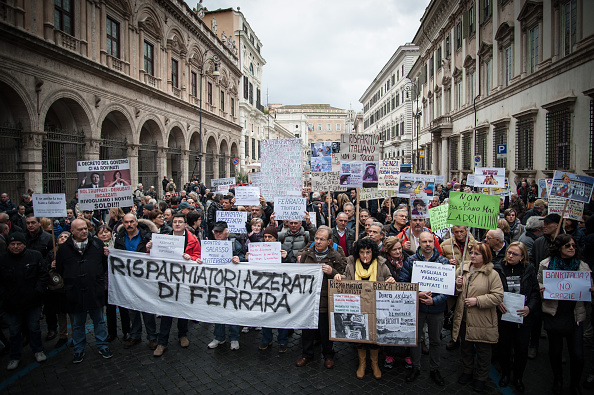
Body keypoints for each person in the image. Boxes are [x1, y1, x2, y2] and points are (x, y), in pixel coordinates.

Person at [538, 234, 593, 395]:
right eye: (567, 245)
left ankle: (575, 384)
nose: (571, 248)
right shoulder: (546, 265)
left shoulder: (582, 266)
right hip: (554, 314)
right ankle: (558, 379)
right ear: (559, 247)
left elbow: (589, 286)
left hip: (574, 315)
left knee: (577, 355)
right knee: (555, 352)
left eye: (574, 246)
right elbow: (539, 282)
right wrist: (542, 289)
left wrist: (590, 290)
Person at [335, 238, 395, 379]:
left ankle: (374, 364)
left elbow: (389, 277)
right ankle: (362, 363)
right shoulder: (351, 264)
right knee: (359, 336)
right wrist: (339, 277)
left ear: (373, 252)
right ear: (358, 253)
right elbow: (347, 279)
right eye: (362, 252)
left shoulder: (381, 264)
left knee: (374, 337)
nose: (365, 255)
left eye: (368, 252)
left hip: (376, 307)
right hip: (357, 307)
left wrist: (391, 280)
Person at [56, 219, 112, 364]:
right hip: (75, 292)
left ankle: (102, 345)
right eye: (80, 229)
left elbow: (103, 266)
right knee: (78, 323)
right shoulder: (63, 249)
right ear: (72, 231)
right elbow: (61, 269)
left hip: (94, 290)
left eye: (85, 228)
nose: (84, 231)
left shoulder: (97, 244)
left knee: (99, 320)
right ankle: (79, 349)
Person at [399, 231, 452, 386]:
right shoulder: (411, 261)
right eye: (424, 242)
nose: (428, 244)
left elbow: (448, 289)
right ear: (419, 243)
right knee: (415, 340)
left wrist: (434, 301)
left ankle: (434, 369)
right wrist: (418, 293)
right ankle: (416, 367)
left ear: (434, 242)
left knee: (435, 340)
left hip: (436, 309)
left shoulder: (443, 262)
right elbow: (403, 282)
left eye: (430, 241)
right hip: (417, 308)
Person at [453, 242, 504, 393]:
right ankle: (467, 371)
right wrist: (457, 284)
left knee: (483, 350)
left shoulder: (492, 274)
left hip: (482, 319)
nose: (473, 256)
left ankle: (481, 377)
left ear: (485, 256)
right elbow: (454, 293)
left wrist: (478, 301)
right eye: (472, 253)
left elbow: (498, 296)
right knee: (466, 347)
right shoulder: (463, 269)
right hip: (463, 317)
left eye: (477, 254)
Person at [147, 214, 200, 356]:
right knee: (166, 311)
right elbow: (154, 256)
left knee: (182, 309)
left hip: (184, 279)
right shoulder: (163, 237)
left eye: (180, 222)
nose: (177, 224)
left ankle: (183, 335)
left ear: (185, 224)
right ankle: (162, 342)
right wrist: (150, 248)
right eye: (175, 221)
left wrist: (192, 258)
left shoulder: (193, 239)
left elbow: (199, 257)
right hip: (168, 279)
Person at [296, 226, 346, 369]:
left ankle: (328, 355)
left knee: (325, 330)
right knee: (307, 329)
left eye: (322, 239)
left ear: (329, 241)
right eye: (316, 238)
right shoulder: (307, 254)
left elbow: (343, 275)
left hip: (325, 299)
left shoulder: (335, 256)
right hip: (309, 299)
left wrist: (333, 272)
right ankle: (307, 354)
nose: (318, 242)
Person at [494, 241, 540, 392]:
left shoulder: (529, 269)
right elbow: (493, 290)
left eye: (514, 254)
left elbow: (534, 292)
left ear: (522, 257)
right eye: (509, 253)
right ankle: (505, 374)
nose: (510, 256)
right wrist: (497, 302)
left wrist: (530, 308)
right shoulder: (499, 268)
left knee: (521, 349)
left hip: (523, 317)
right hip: (504, 315)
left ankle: (518, 377)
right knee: (504, 347)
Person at [0, 233, 48, 370]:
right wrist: (5, 295)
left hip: (32, 301)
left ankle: (38, 350)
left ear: (24, 245)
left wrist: (37, 291)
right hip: (11, 303)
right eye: (12, 244)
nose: (15, 247)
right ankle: (14, 356)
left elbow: (42, 275)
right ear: (8, 245)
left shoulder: (35, 256)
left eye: (18, 244)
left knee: (34, 328)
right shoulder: (2, 259)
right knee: (14, 331)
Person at [113, 213, 157, 350]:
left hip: (144, 279)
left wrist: (151, 249)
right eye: (126, 222)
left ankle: (152, 336)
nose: (129, 225)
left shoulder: (146, 237)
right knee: (132, 309)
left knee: (147, 309)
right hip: (128, 279)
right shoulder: (120, 238)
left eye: (132, 222)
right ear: (123, 223)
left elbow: (155, 256)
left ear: (136, 222)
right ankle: (135, 335)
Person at [257, 226, 296, 353]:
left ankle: (283, 341)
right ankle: (266, 339)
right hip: (264, 287)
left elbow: (295, 268)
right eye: (265, 237)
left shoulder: (285, 250)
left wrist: (287, 258)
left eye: (270, 237)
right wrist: (248, 259)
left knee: (281, 315)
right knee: (265, 314)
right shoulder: (258, 249)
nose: (267, 240)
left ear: (275, 238)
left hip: (281, 288)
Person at [207, 221, 245, 350]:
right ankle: (219, 337)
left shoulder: (235, 244)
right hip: (216, 283)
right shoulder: (209, 245)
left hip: (233, 282)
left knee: (232, 310)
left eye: (220, 232)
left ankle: (234, 337)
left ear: (226, 232)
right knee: (218, 310)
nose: (217, 234)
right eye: (215, 232)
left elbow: (244, 258)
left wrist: (238, 259)